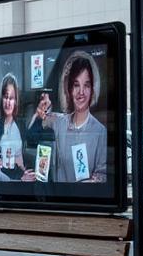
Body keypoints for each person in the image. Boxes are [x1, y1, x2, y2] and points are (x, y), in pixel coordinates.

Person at [28, 51, 108, 183]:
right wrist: (39, 111)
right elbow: (31, 134)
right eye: (76, 85)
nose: (81, 92)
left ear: (93, 89)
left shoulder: (100, 131)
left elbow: (103, 175)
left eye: (86, 85)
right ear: (69, 89)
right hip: (60, 200)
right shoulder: (59, 121)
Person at [0, 74, 35, 181]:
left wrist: (25, 174)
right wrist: (20, 177)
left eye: (11, 98)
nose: (8, 102)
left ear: (16, 101)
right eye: (5, 97)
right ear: (1, 99)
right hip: (7, 180)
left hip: (22, 178)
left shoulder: (21, 125)